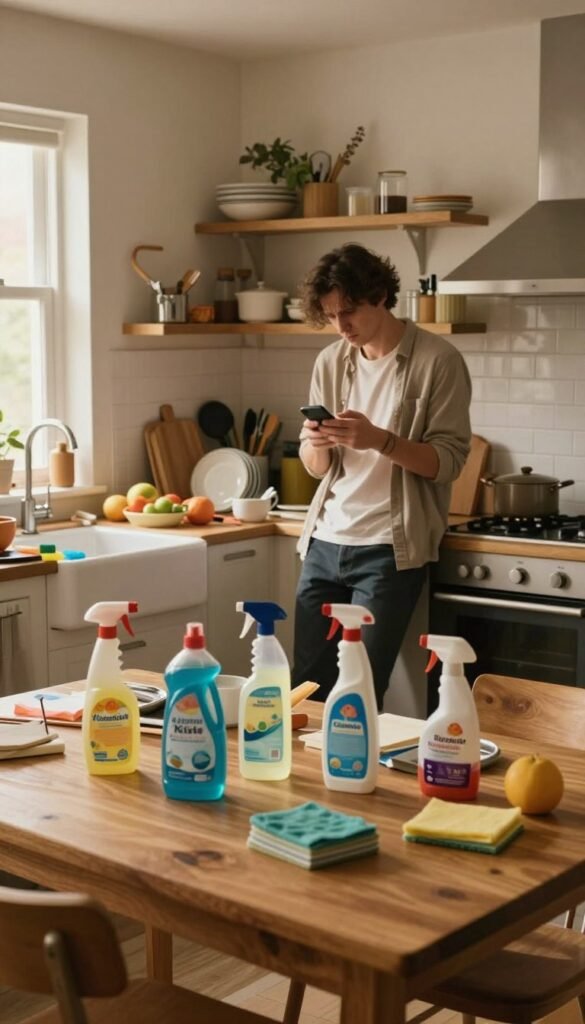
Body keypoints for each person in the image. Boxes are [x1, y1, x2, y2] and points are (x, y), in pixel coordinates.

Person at [292, 243, 472, 709]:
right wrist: (315, 443)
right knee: (306, 688)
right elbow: (317, 470)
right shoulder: (331, 361)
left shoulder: (439, 361)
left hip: (389, 552)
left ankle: (356, 778)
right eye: (331, 316)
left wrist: (379, 440)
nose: (340, 326)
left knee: (360, 689)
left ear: (379, 296)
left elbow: (448, 462)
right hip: (325, 542)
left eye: (349, 312)